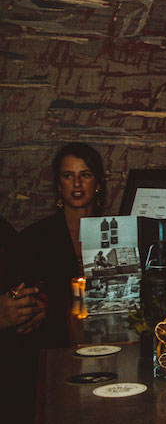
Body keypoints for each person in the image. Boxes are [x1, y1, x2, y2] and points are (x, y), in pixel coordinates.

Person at [14, 142, 106, 349]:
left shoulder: (114, 233)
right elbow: (15, 293)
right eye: (68, 176)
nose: (77, 184)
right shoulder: (34, 238)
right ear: (58, 185)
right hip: (53, 344)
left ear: (98, 183)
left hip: (107, 340)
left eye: (85, 175)